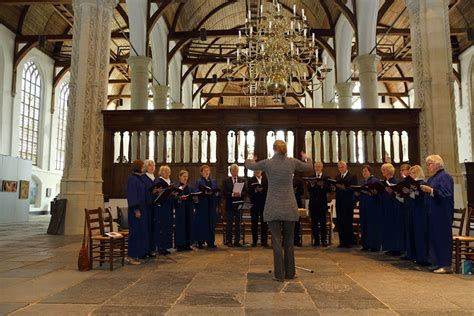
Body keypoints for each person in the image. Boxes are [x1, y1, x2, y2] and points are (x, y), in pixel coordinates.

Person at [245, 140, 312, 282]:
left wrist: (251, 157)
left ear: (274, 149)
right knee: (289, 241)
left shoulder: (268, 163)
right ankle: (290, 273)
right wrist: (307, 157)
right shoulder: (292, 162)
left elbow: (249, 165)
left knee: (276, 241)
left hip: (273, 205)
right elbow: (309, 166)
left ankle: (279, 275)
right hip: (289, 206)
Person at [420, 155, 454, 274]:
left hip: (442, 214)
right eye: (427, 164)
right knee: (434, 238)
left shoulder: (445, 177)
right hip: (432, 213)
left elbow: (446, 195)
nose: (428, 166)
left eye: (430, 164)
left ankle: (446, 265)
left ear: (437, 164)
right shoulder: (432, 178)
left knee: (442, 238)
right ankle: (436, 262)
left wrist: (431, 190)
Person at [125, 160, 149, 265]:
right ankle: (131, 256)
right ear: (138, 167)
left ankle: (139, 254)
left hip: (143, 209)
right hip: (136, 211)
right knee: (135, 233)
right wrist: (136, 209)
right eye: (143, 166)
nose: (145, 167)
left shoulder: (140, 179)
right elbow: (132, 195)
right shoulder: (132, 179)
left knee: (141, 233)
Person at [194, 164, 220, 249]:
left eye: (208, 171)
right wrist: (204, 193)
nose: (207, 172)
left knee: (211, 224)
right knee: (202, 224)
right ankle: (200, 242)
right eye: (205, 171)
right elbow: (196, 192)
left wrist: (216, 193)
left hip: (211, 205)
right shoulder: (199, 181)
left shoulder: (213, 181)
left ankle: (210, 242)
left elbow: (216, 191)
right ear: (201, 172)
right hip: (202, 206)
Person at [408, 165, 429, 265]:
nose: (411, 175)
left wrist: (413, 192)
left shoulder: (423, 183)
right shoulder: (412, 184)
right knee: (414, 234)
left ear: (417, 173)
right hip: (414, 211)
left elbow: (423, 198)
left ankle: (423, 258)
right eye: (410, 173)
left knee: (420, 234)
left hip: (420, 212)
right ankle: (415, 256)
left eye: (412, 173)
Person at [334, 161, 358, 248]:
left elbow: (354, 188)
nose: (341, 169)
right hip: (339, 202)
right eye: (339, 167)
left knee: (347, 221)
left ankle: (348, 241)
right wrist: (335, 187)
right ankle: (342, 241)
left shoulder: (352, 176)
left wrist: (345, 189)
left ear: (346, 167)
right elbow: (336, 189)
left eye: (342, 167)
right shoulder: (337, 177)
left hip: (348, 202)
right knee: (340, 221)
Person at [307, 161, 331, 247]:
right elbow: (308, 189)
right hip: (313, 203)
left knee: (323, 222)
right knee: (314, 223)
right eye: (316, 166)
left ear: (322, 167)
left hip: (322, 203)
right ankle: (316, 240)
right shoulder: (311, 177)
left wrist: (322, 186)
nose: (317, 168)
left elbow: (329, 189)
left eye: (319, 166)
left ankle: (324, 240)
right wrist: (312, 186)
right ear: (314, 167)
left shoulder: (326, 177)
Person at [222, 164, 247, 247]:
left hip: (239, 204)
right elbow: (224, 193)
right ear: (230, 171)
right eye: (233, 171)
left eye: (236, 171)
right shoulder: (226, 181)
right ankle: (229, 241)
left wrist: (240, 194)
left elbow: (246, 192)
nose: (235, 172)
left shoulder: (242, 180)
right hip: (230, 205)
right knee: (229, 223)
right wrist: (232, 194)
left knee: (238, 224)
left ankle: (237, 241)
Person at [358, 165, 381, 251]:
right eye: (363, 171)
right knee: (364, 225)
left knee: (372, 226)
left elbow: (379, 193)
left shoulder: (375, 181)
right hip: (364, 206)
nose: (364, 173)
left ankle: (374, 245)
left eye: (366, 171)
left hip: (372, 207)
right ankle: (365, 244)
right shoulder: (362, 182)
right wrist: (357, 194)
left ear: (370, 172)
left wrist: (372, 193)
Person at [381, 163, 402, 255]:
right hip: (386, 206)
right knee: (388, 227)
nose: (382, 171)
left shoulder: (395, 182)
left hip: (394, 207)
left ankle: (396, 248)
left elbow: (398, 195)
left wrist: (391, 192)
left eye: (384, 170)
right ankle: (390, 247)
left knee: (394, 227)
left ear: (389, 171)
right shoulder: (385, 182)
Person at [154, 165, 175, 255]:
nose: (167, 173)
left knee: (168, 227)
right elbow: (156, 194)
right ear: (161, 173)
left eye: (168, 171)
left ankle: (166, 246)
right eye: (165, 171)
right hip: (162, 207)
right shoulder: (159, 182)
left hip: (169, 207)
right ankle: (160, 247)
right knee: (162, 227)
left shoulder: (170, 182)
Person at [174, 170, 194, 251]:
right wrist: (179, 198)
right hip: (180, 209)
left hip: (188, 209)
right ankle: (180, 245)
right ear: (180, 177)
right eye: (183, 176)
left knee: (188, 225)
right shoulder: (177, 187)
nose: (185, 178)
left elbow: (192, 197)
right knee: (181, 227)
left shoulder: (190, 187)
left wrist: (194, 198)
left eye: (186, 176)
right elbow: (174, 198)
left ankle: (188, 244)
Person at [142, 159, 158, 258]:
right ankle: (145, 250)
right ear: (146, 167)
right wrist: (151, 192)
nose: (152, 167)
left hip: (154, 206)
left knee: (153, 228)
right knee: (146, 229)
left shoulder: (155, 179)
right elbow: (143, 193)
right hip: (147, 207)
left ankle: (152, 249)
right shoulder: (143, 178)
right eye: (150, 165)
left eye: (153, 165)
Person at [248, 170, 268, 247]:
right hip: (255, 203)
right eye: (256, 170)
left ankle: (264, 241)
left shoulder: (266, 179)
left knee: (264, 223)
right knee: (254, 222)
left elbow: (268, 190)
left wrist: (262, 190)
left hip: (264, 203)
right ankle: (254, 241)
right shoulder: (251, 180)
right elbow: (248, 191)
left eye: (259, 170)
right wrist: (255, 190)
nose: (257, 171)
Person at [399, 163, 412, 258]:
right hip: (404, 207)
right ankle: (406, 250)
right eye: (400, 170)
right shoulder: (403, 181)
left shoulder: (411, 181)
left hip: (411, 208)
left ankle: (410, 252)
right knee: (404, 230)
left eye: (403, 170)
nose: (401, 172)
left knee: (409, 230)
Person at [293, 173, 305, 247]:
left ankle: (296, 240)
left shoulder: (298, 180)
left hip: (296, 202)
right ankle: (286, 240)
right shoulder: (284, 179)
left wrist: (296, 191)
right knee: (286, 223)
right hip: (286, 203)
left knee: (297, 222)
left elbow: (302, 192)